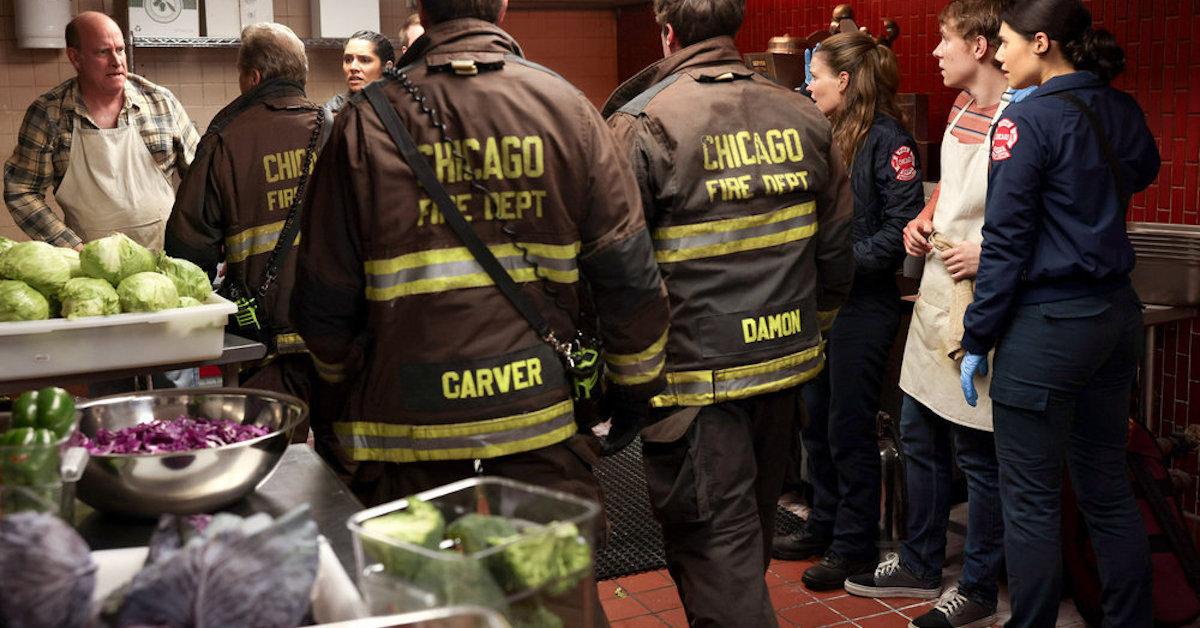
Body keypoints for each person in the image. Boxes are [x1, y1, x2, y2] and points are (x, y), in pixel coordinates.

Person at [292, 0, 669, 528]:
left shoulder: (362, 122)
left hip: (408, 435)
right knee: (547, 594)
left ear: (421, 7)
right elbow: (626, 270)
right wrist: (634, 386)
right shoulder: (568, 107)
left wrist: (342, 384)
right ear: (503, 5)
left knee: (429, 596)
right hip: (538, 421)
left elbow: (324, 292)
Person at [601, 0, 855, 622]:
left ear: (666, 34)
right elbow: (836, 255)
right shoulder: (803, 115)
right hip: (783, 372)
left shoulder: (643, 123)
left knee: (717, 552)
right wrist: (805, 335)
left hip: (693, 385)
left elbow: (616, 270)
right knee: (747, 542)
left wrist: (627, 380)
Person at [958, 0, 1159, 624]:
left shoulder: (1028, 121)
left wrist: (975, 337)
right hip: (1115, 317)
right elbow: (1145, 170)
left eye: (1007, 42)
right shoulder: (1118, 107)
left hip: (1049, 327)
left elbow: (1005, 242)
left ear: (1042, 42)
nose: (999, 54)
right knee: (1105, 486)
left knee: (1031, 500)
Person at [842, 2, 1032, 626]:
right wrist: (924, 219)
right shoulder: (961, 110)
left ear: (981, 46)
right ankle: (920, 560)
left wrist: (992, 253)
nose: (934, 53)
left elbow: (1034, 212)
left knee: (979, 453)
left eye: (946, 41)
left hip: (979, 296)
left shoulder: (1021, 112)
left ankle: (976, 586)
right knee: (919, 429)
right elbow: (951, 187)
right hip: (933, 288)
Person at [772, 29, 923, 592]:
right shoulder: (824, 133)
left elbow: (899, 229)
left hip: (864, 305)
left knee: (849, 428)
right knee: (816, 423)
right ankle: (826, 523)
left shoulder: (889, 141)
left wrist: (837, 264)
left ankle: (854, 546)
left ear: (845, 79)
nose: (809, 87)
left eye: (816, 77)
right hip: (822, 307)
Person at [165, 23, 335, 448]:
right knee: (343, 453)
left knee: (277, 458)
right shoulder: (338, 129)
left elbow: (187, 248)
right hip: (336, 335)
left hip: (266, 339)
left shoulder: (225, 140)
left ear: (254, 78)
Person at [3, 11, 198, 250]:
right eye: (103, 52)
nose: (116, 61)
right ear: (75, 58)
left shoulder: (160, 102)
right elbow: (21, 189)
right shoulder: (50, 114)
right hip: (90, 268)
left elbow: (202, 176)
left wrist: (205, 236)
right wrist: (69, 245)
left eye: (120, 49)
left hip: (167, 257)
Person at [324, 30, 395, 115]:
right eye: (348, 60)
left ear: (387, 68)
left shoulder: (402, 108)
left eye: (364, 60)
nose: (353, 67)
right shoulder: (332, 110)